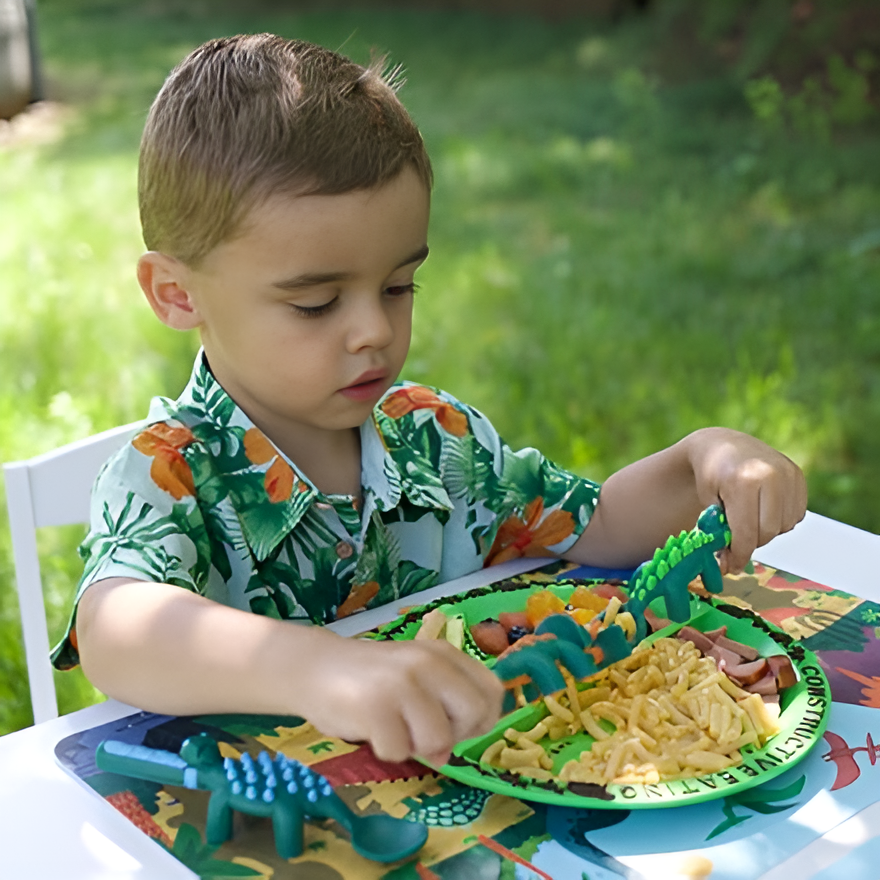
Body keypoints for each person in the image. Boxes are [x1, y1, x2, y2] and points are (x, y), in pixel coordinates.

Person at [53, 34, 807, 768]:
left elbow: (600, 526)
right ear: (177, 293)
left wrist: (700, 461)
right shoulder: (169, 476)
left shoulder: (437, 438)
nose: (375, 331)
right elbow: (118, 629)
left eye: (398, 286)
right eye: (316, 303)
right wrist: (318, 667)